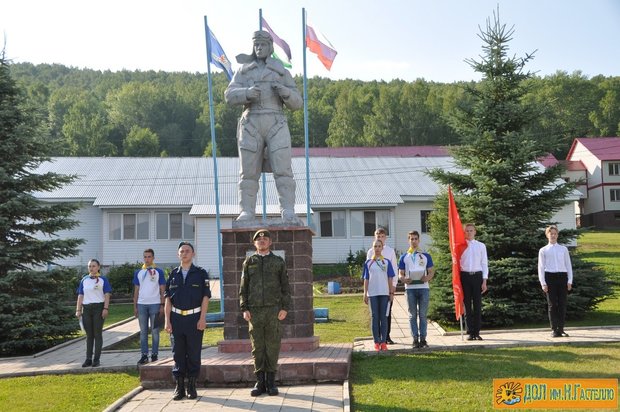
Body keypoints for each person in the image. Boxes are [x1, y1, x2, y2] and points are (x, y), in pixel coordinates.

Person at [224, 30, 303, 222]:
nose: (259, 48)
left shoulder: (281, 71)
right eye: (256, 45)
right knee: (248, 172)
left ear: (270, 47)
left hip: (276, 123)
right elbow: (229, 95)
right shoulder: (244, 71)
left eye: (263, 44)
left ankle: (288, 210)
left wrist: (284, 92)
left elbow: (297, 103)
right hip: (251, 123)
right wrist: (247, 93)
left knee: (283, 170)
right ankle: (247, 211)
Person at [240, 229, 291, 397]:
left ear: (270, 242)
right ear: (254, 243)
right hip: (254, 312)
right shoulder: (249, 262)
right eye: (259, 240)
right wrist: (244, 308)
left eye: (265, 239)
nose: (262, 241)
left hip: (273, 311)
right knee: (257, 347)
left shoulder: (278, 262)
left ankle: (271, 382)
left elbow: (285, 287)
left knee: (272, 346)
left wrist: (284, 308)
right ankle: (259, 382)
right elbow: (243, 288)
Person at [164, 242, 211, 401]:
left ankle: (191, 386)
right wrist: (167, 321)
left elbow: (205, 297)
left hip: (194, 318)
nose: (184, 253)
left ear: (193, 254)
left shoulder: (201, 273)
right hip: (176, 319)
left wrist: (202, 318)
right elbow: (167, 299)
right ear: (178, 254)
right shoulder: (172, 274)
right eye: (182, 251)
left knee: (193, 353)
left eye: (187, 251)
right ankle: (179, 387)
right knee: (177, 353)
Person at [398, 230, 435, 348]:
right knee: (412, 315)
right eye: (411, 239)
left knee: (423, 315)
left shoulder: (426, 255)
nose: (413, 241)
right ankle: (415, 339)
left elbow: (431, 271)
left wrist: (427, 278)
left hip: (423, 288)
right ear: (408, 241)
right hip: (410, 289)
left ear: (419, 240)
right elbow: (400, 273)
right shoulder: (404, 257)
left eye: (415, 239)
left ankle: (423, 339)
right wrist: (403, 279)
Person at [75, 258, 112, 368]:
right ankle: (88, 359)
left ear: (98, 267)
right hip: (86, 309)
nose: (91, 268)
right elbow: (80, 295)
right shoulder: (84, 280)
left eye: (93, 266)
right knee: (89, 335)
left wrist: (105, 308)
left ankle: (96, 359)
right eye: (89, 266)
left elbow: (107, 295)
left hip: (99, 308)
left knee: (97, 334)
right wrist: (78, 310)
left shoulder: (103, 280)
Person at [538, 225, 573, 338]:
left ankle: (561, 329)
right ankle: (554, 329)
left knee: (562, 304)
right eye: (551, 233)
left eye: (555, 233)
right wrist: (543, 283)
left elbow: (568, 265)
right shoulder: (543, 250)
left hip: (562, 277)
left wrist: (570, 280)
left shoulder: (563, 249)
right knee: (552, 305)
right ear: (547, 235)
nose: (553, 235)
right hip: (550, 278)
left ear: (557, 235)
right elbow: (541, 267)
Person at [133, 248, 166, 365]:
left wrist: (162, 305)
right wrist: (135, 306)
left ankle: (155, 354)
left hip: (155, 304)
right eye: (145, 257)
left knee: (155, 331)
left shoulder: (158, 272)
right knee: (143, 331)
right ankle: (144, 355)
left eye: (149, 257)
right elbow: (136, 290)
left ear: (153, 258)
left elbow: (163, 290)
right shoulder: (138, 272)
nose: (147, 259)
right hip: (141, 305)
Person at [362, 239, 396, 352]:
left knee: (384, 318)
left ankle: (383, 342)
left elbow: (390, 278)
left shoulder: (387, 262)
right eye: (375, 246)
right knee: (375, 317)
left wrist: (391, 292)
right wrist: (365, 293)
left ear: (382, 248)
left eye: (379, 246)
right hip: (372, 294)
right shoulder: (368, 263)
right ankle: (376, 342)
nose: (377, 248)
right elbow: (366, 279)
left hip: (384, 294)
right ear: (373, 248)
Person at [460, 223, 488, 341]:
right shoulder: (460, 246)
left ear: (475, 232)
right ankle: (470, 332)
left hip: (477, 277)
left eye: (471, 230)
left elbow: (484, 263)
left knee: (477, 305)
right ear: (464, 232)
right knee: (467, 305)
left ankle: (477, 332)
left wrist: (484, 281)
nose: (469, 232)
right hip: (465, 276)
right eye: (467, 231)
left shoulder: (481, 246)